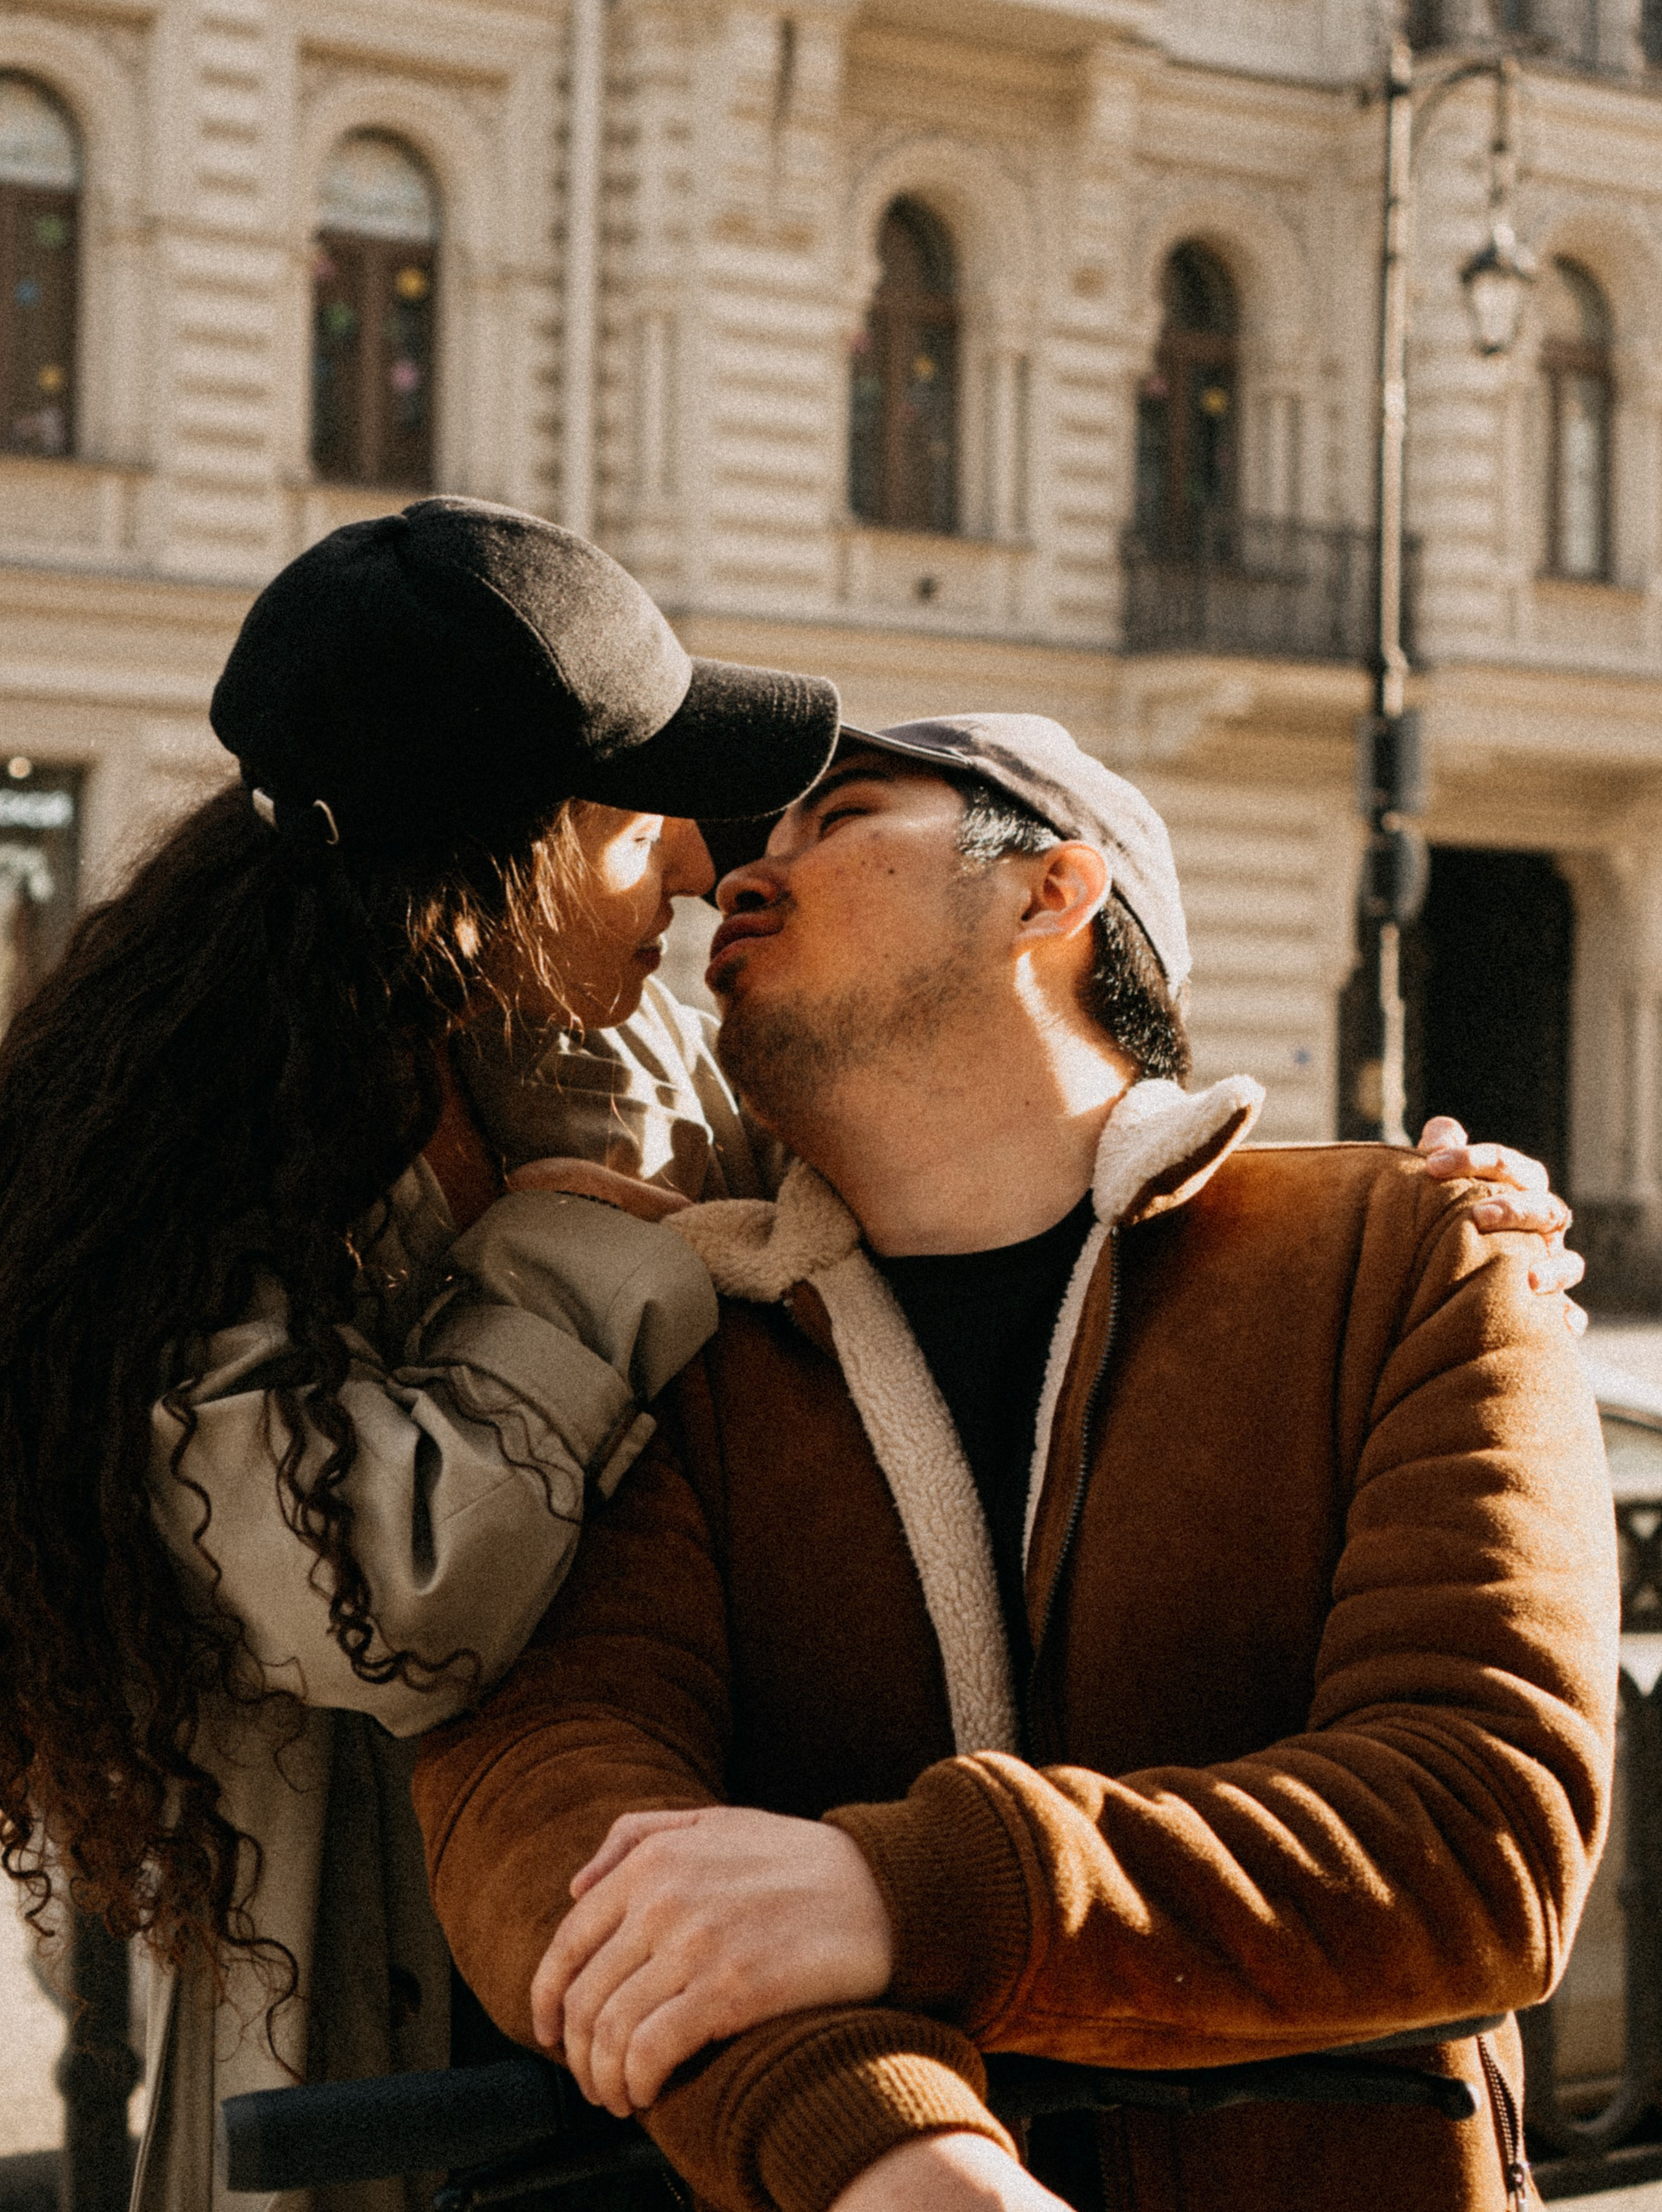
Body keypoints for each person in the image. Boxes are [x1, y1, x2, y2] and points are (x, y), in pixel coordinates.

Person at [414, 714, 1620, 2212]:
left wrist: (898, 1893)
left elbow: (1476, 1830)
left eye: (836, 819)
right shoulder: (670, 1331)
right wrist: (891, 2154)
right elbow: (545, 1812)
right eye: (747, 853)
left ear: (1054, 892)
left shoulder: (1405, 1257)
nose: (734, 880)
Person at [0, 496, 841, 2212]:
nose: (692, 859)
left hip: (678, 1950)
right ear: (494, 851)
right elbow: (375, 1599)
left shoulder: (605, 1047)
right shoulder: (195, 1146)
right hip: (385, 2023)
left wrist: (1366, 1206)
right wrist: (588, 1251)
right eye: (632, 814)